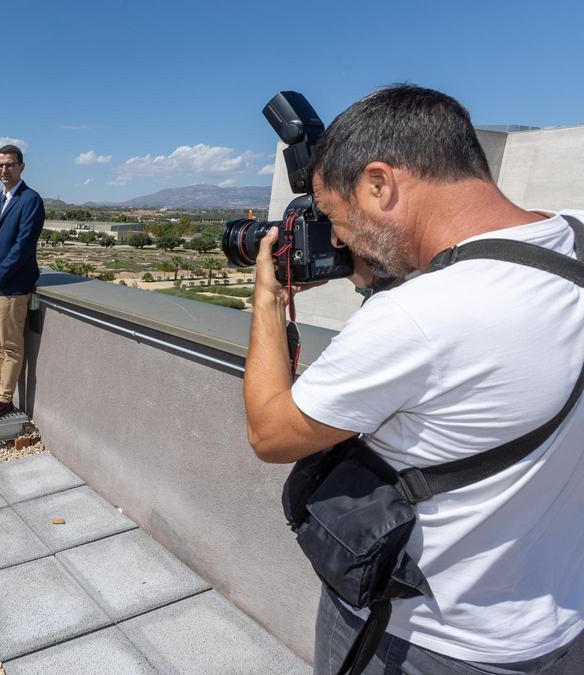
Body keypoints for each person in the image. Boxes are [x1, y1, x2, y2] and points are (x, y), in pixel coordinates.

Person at [243, 85, 584, 673]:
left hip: (426, 638)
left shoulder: (416, 316)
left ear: (379, 183)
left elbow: (270, 435)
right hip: (556, 626)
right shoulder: (572, 241)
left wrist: (268, 300)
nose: (338, 240)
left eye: (334, 216)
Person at [0, 145, 44, 418]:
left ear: (21, 167)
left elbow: (22, 247)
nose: (4, 170)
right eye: (0, 165)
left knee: (10, 346)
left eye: (10, 165)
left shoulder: (30, 200)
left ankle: (5, 399)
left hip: (11, 288)